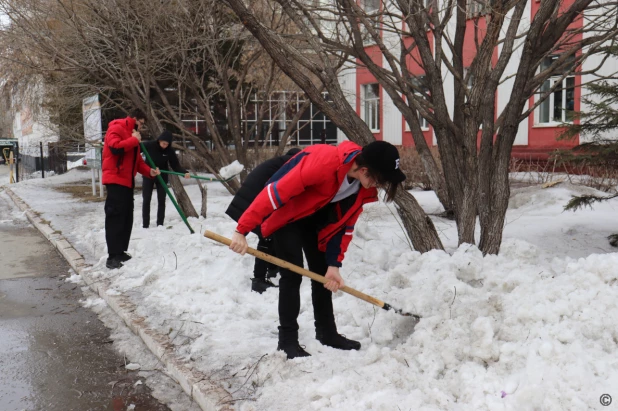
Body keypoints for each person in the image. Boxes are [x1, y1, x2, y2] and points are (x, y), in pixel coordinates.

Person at [229, 140, 406, 359]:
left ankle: (327, 333)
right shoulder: (323, 163)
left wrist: (334, 264)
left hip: (313, 217)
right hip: (286, 215)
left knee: (323, 274)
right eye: (381, 179)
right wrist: (241, 230)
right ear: (364, 169)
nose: (380, 185)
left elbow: (345, 227)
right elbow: (274, 193)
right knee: (292, 273)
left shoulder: (360, 189)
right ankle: (287, 341)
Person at [225, 148, 302, 294]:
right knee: (267, 236)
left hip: (250, 200)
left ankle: (271, 268)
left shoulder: (279, 162)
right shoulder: (289, 165)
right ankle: (259, 279)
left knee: (271, 233)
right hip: (252, 203)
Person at [102, 109, 160, 269]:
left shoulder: (133, 136)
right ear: (135, 119)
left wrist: (150, 171)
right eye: (141, 123)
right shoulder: (116, 127)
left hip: (127, 181)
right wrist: (134, 140)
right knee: (115, 217)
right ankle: (112, 256)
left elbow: (137, 162)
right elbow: (115, 148)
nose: (141, 127)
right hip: (115, 179)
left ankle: (120, 251)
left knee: (126, 217)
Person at [141, 130, 190, 228]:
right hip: (148, 174)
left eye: (167, 144)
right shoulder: (149, 145)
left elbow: (175, 165)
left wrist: (184, 172)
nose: (165, 146)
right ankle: (145, 224)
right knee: (146, 199)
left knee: (161, 199)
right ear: (159, 140)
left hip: (162, 175)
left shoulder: (169, 151)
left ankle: (160, 224)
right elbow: (136, 149)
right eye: (163, 143)